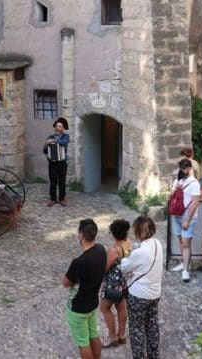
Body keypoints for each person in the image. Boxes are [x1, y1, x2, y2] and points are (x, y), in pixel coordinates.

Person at [62, 219, 106, 359]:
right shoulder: (101, 250)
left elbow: (66, 283)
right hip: (93, 303)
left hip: (78, 308)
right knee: (94, 334)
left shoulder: (78, 262)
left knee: (83, 342)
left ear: (80, 235)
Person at [120, 216, 163, 359]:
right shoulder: (158, 244)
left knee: (136, 328)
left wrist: (127, 254)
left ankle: (138, 356)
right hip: (155, 294)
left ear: (137, 232)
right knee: (152, 325)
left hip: (138, 296)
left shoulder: (139, 253)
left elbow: (124, 267)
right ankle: (153, 354)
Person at [99, 219, 132, 348]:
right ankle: (122, 335)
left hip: (112, 286)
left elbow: (105, 268)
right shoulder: (129, 244)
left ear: (113, 234)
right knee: (121, 307)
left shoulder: (114, 250)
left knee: (105, 308)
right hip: (124, 284)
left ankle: (113, 337)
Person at [170, 158, 201, 282]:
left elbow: (195, 203)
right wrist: (174, 189)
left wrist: (187, 220)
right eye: (181, 168)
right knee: (181, 242)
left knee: (186, 243)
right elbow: (170, 197)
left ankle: (186, 270)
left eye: (185, 168)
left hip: (188, 217)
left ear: (190, 168)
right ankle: (184, 263)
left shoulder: (194, 184)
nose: (182, 170)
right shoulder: (178, 181)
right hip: (177, 215)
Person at [43, 117, 70, 207]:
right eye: (57, 126)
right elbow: (45, 151)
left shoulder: (65, 136)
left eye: (60, 126)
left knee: (62, 181)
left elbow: (64, 143)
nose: (58, 128)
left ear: (63, 129)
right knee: (53, 181)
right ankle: (53, 199)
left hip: (62, 162)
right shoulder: (49, 137)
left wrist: (54, 140)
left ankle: (62, 199)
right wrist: (46, 143)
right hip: (52, 163)